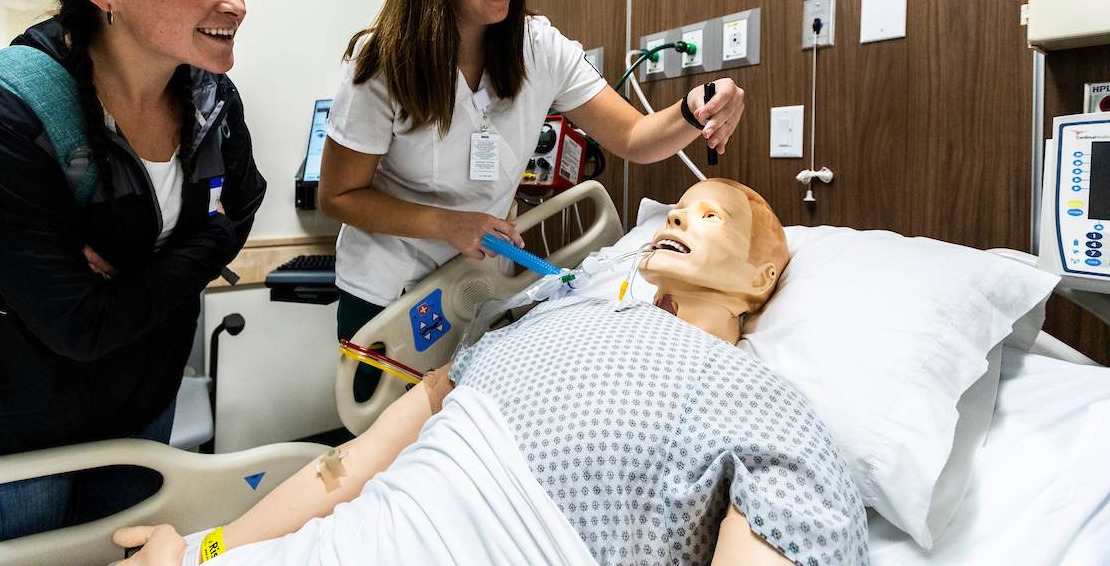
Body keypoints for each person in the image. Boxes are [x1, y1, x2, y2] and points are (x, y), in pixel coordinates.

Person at [114, 179, 869, 566]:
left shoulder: (764, 403)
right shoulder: (549, 320)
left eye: (711, 218)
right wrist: (206, 550)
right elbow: (346, 472)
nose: (676, 217)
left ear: (765, 274)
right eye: (678, 208)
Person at [0, 0, 265, 554]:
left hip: (139, 404)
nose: (235, 4)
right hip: (0, 425)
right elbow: (78, 324)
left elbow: (242, 205)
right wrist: (200, 246)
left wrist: (141, 267)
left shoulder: (210, 98)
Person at [319, 0, 746, 394]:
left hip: (474, 287)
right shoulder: (384, 66)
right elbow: (337, 196)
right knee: (384, 454)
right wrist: (449, 224)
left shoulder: (539, 49)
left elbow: (635, 138)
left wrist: (695, 106)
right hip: (386, 296)